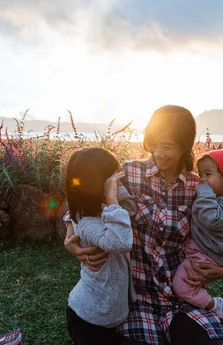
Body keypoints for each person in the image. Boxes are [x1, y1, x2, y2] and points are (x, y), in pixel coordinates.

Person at [64, 105, 223, 345]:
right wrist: (70, 238)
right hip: (133, 299)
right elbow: (81, 198)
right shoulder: (128, 173)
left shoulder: (199, 188)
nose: (158, 153)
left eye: (168, 146)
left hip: (181, 295)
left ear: (185, 146)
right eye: (153, 143)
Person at [65, 148, 136, 345]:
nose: (119, 185)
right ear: (99, 185)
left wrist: (113, 191)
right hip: (89, 320)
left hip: (106, 314)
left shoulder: (99, 209)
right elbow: (122, 242)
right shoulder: (88, 222)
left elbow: (130, 208)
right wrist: (112, 198)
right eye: (114, 180)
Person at [171, 149, 223, 326]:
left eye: (208, 174)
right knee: (189, 283)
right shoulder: (220, 199)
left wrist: (205, 193)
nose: (202, 180)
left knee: (182, 285)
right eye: (200, 174)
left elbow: (209, 219)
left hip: (205, 255)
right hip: (202, 250)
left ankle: (215, 305)